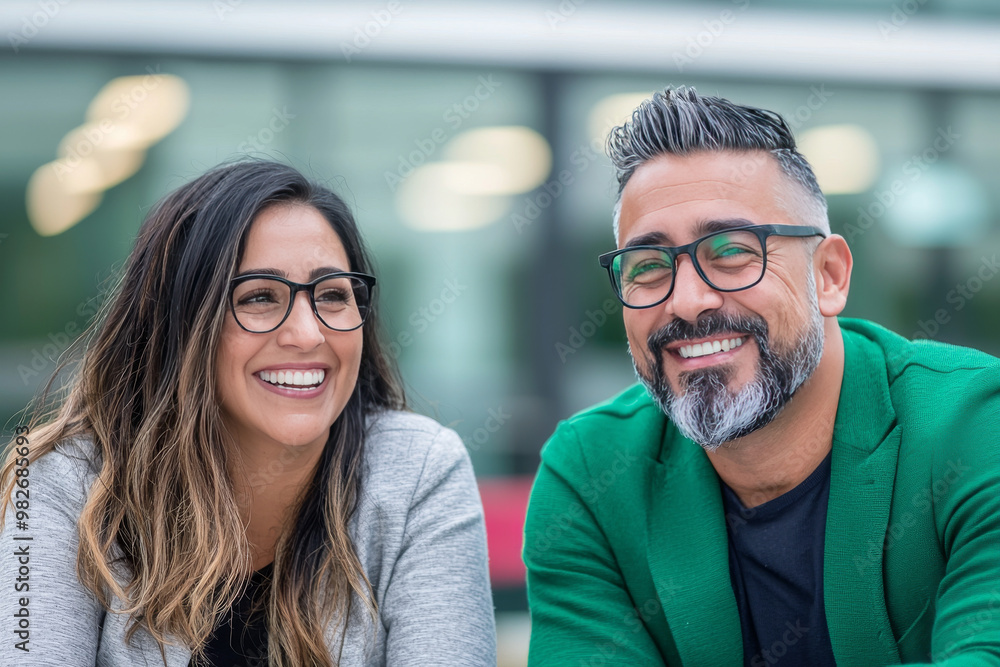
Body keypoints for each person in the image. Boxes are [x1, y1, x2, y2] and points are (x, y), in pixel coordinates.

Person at [523, 87, 1000, 666]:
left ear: (828, 275)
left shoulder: (977, 426)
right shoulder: (592, 473)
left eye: (730, 252)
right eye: (648, 267)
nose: (689, 302)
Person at [1, 160, 496, 666]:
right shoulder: (58, 484)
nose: (308, 334)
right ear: (181, 324)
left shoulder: (417, 471)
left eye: (332, 295)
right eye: (260, 296)